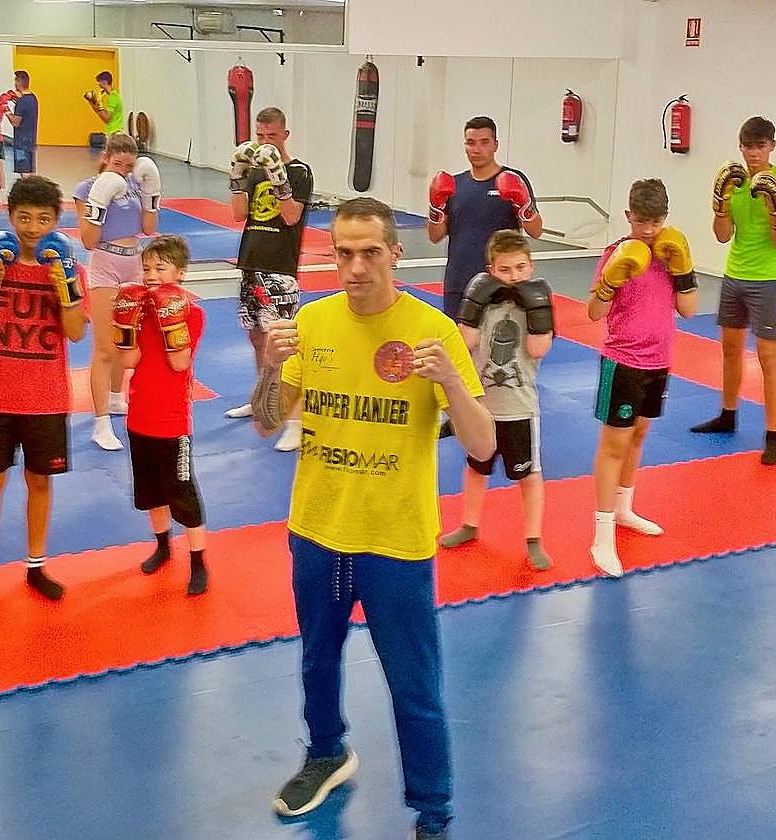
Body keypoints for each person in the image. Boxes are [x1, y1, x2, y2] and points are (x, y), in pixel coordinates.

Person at [253, 197, 494, 840]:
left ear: (395, 253)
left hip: (394, 542)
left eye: (369, 253)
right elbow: (268, 421)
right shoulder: (314, 322)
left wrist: (452, 383)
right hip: (317, 531)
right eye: (344, 253)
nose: (356, 267)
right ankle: (325, 753)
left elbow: (484, 446)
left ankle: (433, 812)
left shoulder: (431, 330)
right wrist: (270, 369)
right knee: (316, 659)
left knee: (414, 684)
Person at [0, 176, 87, 610]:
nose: (33, 228)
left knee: (39, 482)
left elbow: (76, 333)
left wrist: (66, 284)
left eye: (43, 219)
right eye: (24, 218)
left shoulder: (67, 266)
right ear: (10, 217)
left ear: (56, 220)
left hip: (46, 397)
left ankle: (36, 565)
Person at [586, 179, 698, 577]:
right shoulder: (616, 254)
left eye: (655, 221)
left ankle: (624, 508)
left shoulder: (672, 253)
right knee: (614, 444)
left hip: (659, 360)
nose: (648, 230)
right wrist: (610, 279)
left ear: (665, 217)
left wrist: (683, 270)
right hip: (623, 361)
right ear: (628, 216)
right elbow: (594, 313)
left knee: (638, 435)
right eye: (641, 221)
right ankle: (601, 537)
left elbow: (689, 309)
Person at [439, 229, 555, 571]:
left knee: (528, 476)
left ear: (531, 266)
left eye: (520, 267)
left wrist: (537, 309)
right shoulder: (485, 304)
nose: (514, 276)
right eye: (505, 270)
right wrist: (474, 305)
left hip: (519, 408)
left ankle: (533, 539)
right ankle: (470, 524)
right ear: (490, 271)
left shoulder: (537, 304)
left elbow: (538, 349)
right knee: (477, 468)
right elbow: (465, 343)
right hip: (482, 409)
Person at [690, 116, 776, 466]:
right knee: (730, 349)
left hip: (769, 280)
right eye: (748, 146)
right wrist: (721, 202)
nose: (753, 153)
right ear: (740, 147)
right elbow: (722, 235)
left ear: (772, 146)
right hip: (734, 276)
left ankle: (773, 436)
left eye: (760, 146)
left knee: (769, 356)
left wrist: (775, 207)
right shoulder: (735, 183)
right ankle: (727, 414)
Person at [112, 235, 210, 595]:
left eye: (161, 267)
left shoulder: (193, 313)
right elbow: (129, 360)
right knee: (151, 492)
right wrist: (127, 323)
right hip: (139, 416)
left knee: (182, 493)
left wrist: (170, 317)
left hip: (172, 422)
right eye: (147, 268)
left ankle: (198, 562)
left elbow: (179, 362)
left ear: (180, 272)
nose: (151, 274)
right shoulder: (137, 308)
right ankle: (163, 547)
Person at [224, 106, 313, 452]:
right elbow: (238, 214)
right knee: (258, 340)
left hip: (280, 267)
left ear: (285, 135)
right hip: (251, 261)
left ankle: (294, 421)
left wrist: (278, 177)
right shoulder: (254, 171)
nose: (265, 142)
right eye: (260, 136)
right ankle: (263, 400)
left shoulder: (300, 172)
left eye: (272, 136)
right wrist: (237, 176)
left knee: (283, 344)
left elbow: (291, 217)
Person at [73, 132, 161, 451]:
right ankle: (100, 424)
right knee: (104, 348)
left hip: (134, 262)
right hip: (105, 263)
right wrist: (100, 201)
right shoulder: (86, 188)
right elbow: (88, 240)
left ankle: (114, 397)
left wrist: (152, 194)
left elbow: (149, 229)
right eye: (118, 164)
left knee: (127, 341)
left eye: (129, 165)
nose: (123, 170)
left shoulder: (137, 183)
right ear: (105, 158)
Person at [427, 115, 544, 320]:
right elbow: (435, 236)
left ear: (495, 145)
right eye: (471, 143)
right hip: (458, 280)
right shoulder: (454, 184)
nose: (477, 149)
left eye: (484, 142)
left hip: (502, 282)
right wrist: (435, 207)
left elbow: (536, 231)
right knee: (457, 339)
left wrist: (523, 205)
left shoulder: (513, 179)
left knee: (501, 338)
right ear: (465, 146)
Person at [2, 70, 39, 178]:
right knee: (29, 171)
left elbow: (16, 122)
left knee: (24, 172)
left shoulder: (21, 102)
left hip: (21, 141)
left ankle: (28, 189)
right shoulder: (33, 98)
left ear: (19, 82)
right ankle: (33, 188)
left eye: (16, 81)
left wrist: (6, 110)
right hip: (31, 140)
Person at [85, 71, 124, 137]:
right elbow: (102, 113)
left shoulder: (113, 97)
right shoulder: (109, 96)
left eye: (99, 82)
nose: (98, 84)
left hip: (114, 133)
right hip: (110, 132)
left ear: (105, 82)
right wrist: (92, 103)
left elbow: (107, 118)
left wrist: (99, 103)